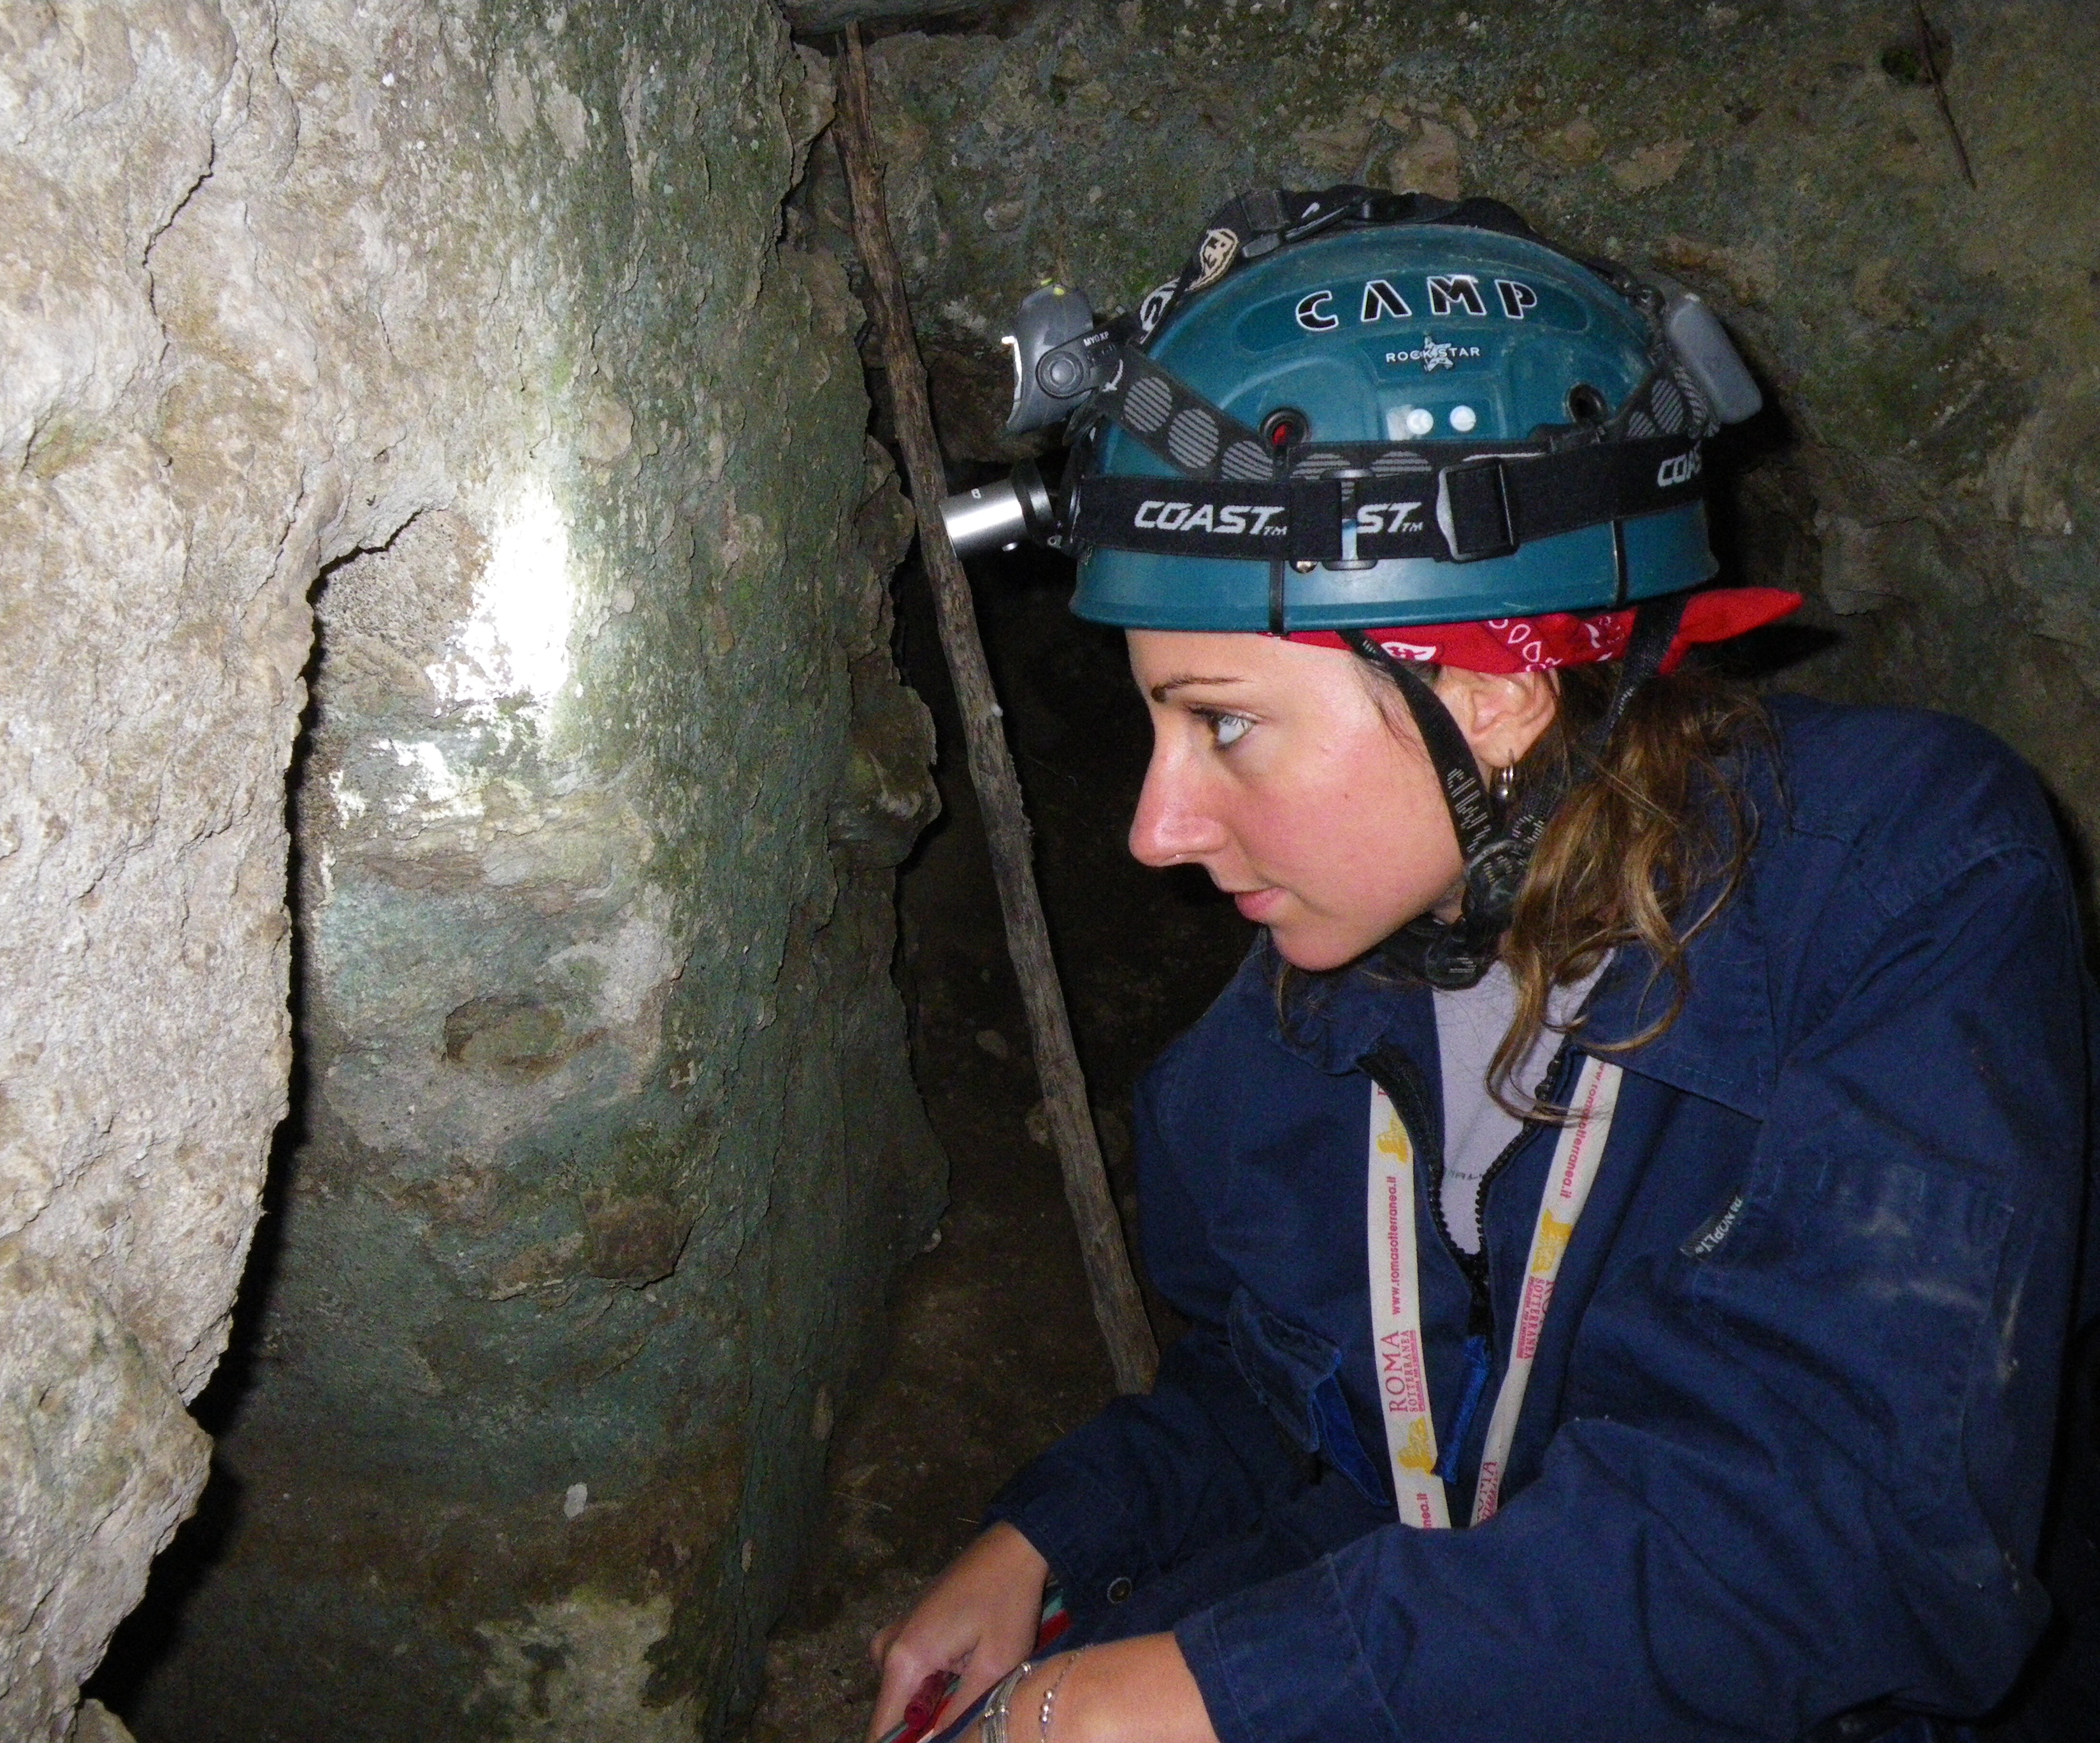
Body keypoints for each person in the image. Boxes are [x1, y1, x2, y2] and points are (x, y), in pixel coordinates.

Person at [871, 189, 2092, 1743]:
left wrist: (1216, 1692)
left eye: (1224, 723)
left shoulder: (1903, 888)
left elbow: (1837, 1537)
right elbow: (1295, 1385)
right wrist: (1048, 1541)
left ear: (1492, 692)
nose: (1157, 830)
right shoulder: (1299, 1017)